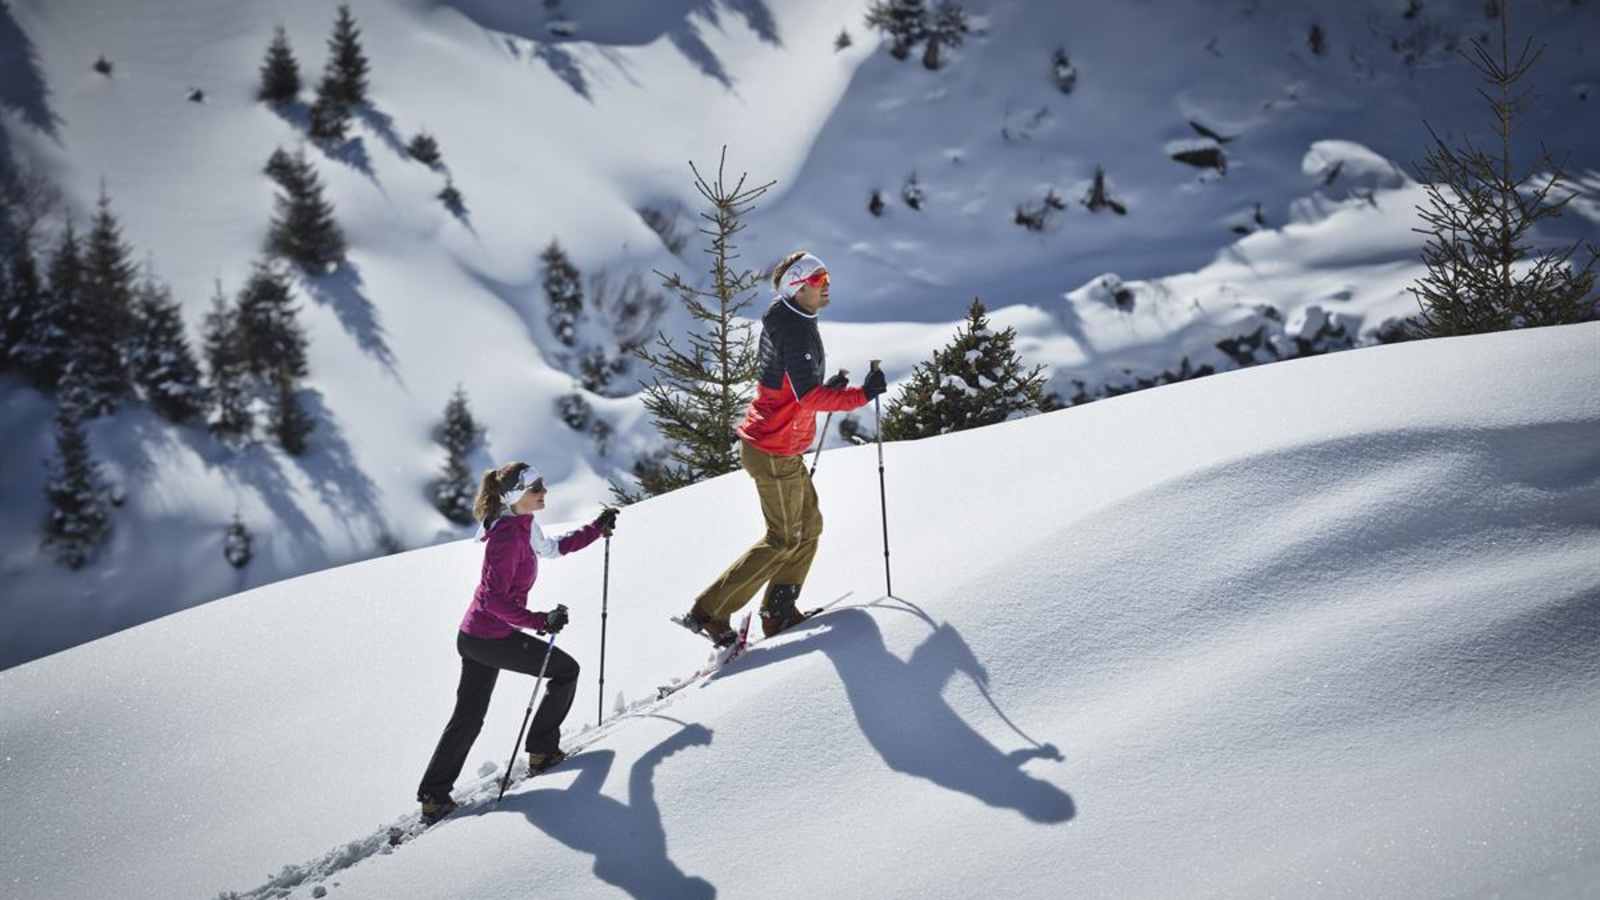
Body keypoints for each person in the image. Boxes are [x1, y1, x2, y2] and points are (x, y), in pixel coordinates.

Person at [679, 251, 886, 644]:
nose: (826, 285)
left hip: (780, 446)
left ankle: (777, 611)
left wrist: (832, 391)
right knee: (784, 538)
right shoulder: (795, 329)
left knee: (809, 528)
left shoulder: (795, 319)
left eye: (826, 276)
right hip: (773, 450)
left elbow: (796, 390)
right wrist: (860, 395)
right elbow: (807, 397)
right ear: (797, 286)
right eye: (818, 278)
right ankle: (710, 612)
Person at [416, 462, 618, 823]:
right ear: (514, 496)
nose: (544, 492)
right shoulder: (506, 538)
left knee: (469, 716)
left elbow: (553, 549)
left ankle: (434, 794)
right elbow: (494, 600)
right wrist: (541, 621)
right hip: (490, 636)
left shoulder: (523, 526)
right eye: (535, 487)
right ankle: (541, 750)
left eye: (542, 484)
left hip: (477, 635)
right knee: (566, 671)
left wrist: (595, 530)